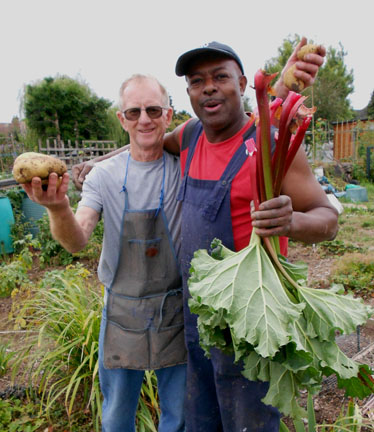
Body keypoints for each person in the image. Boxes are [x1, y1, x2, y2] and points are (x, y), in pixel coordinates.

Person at [72, 39, 339, 432]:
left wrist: (291, 222)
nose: (208, 87)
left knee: (248, 424)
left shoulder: (267, 145)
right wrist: (98, 162)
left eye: (220, 77)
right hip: (197, 325)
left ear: (243, 83)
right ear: (189, 95)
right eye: (197, 81)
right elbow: (141, 143)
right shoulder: (190, 136)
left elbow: (328, 220)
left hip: (254, 325)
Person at [22, 74, 187, 432]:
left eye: (153, 110)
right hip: (122, 311)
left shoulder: (186, 170)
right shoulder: (103, 177)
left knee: (179, 416)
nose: (144, 119)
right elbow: (77, 239)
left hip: (175, 309)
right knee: (115, 416)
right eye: (134, 111)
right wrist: (58, 208)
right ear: (121, 118)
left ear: (168, 115)